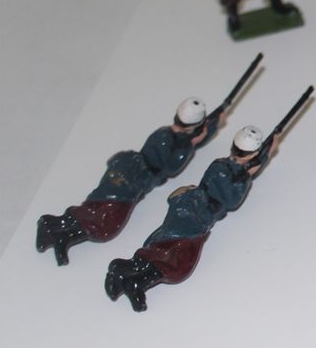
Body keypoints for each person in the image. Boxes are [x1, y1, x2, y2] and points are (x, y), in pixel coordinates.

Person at [104, 125, 277, 312]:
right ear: (254, 153)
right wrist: (247, 176)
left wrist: (254, 165)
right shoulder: (227, 171)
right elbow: (232, 201)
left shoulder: (222, 165)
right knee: (178, 260)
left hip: (192, 207)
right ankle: (132, 278)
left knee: (165, 249)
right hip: (197, 214)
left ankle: (129, 274)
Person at [36, 99, 223, 265]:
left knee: (100, 214)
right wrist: (190, 144)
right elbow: (172, 167)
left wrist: (211, 126)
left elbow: (196, 140)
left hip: (134, 175)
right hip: (133, 178)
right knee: (106, 218)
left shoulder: (174, 137)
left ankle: (63, 236)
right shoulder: (166, 139)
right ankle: (56, 228)